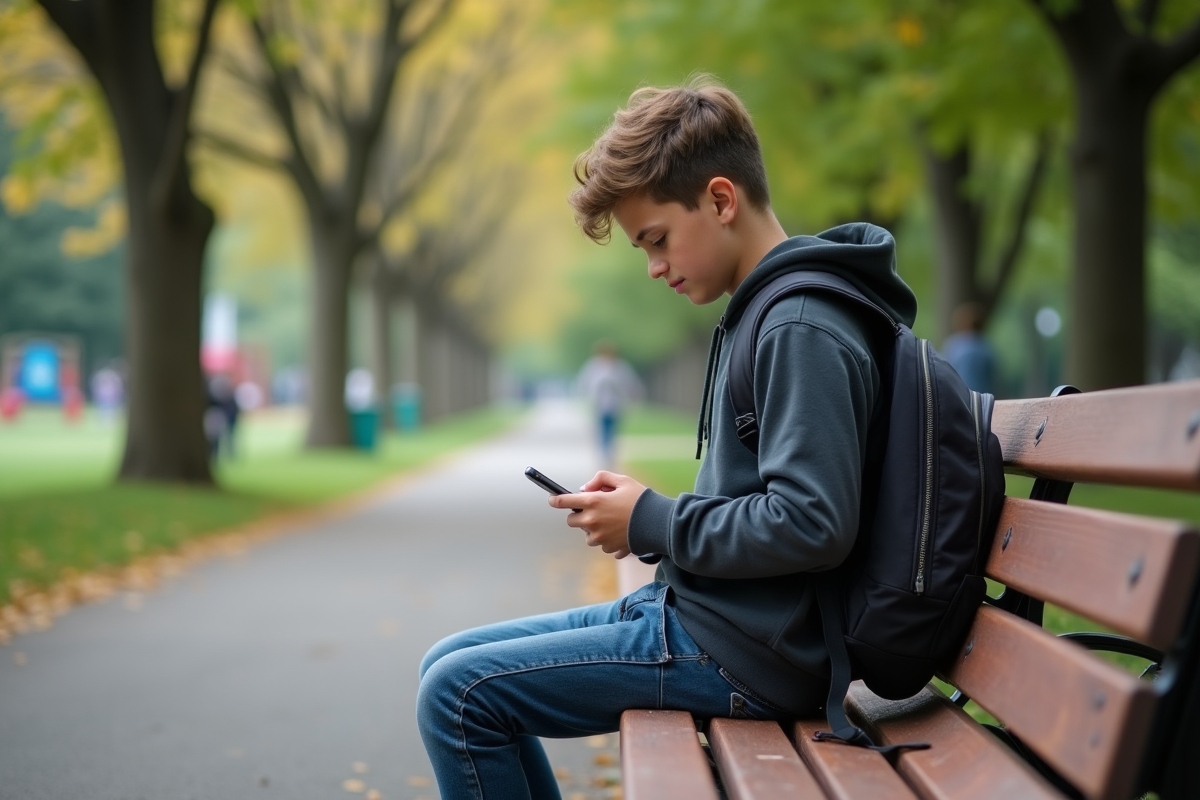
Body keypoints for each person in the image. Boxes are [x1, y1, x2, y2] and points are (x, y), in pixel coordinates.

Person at [416, 76, 918, 800]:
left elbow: (814, 523)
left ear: (720, 200)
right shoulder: (771, 313)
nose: (653, 267)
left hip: (747, 654)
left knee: (459, 697)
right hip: (714, 616)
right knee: (449, 660)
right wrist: (649, 519)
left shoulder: (798, 326)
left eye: (656, 240)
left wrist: (654, 519)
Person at [575, 341, 643, 469]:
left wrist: (633, 398)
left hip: (615, 406)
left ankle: (609, 454)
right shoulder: (593, 366)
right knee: (602, 430)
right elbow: (584, 383)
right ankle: (604, 454)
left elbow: (630, 383)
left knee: (612, 431)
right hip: (599, 405)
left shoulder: (620, 367)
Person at [941, 302, 996, 395]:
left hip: (959, 397)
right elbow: (994, 378)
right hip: (983, 399)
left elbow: (943, 371)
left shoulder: (954, 345)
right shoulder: (987, 347)